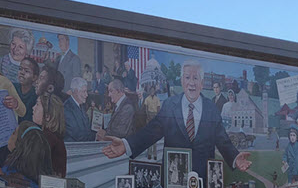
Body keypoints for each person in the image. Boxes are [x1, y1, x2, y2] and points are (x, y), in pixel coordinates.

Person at [101, 60, 252, 181]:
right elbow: (150, 132)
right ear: (182, 81)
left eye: (195, 78)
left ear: (201, 83)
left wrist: (235, 157)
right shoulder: (169, 105)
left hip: (202, 183)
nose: (191, 83)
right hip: (172, 182)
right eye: (187, 78)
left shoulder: (211, 109)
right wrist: (127, 145)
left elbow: (222, 140)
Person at [2, 122, 54, 187]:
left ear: (19, 144)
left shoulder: (8, 171)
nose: (10, 136)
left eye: (14, 133)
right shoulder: (46, 184)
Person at [32, 92, 67, 177]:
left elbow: (31, 166)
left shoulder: (48, 138)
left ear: (47, 116)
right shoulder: (53, 137)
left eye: (37, 104)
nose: (33, 108)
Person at [63, 77, 96, 142]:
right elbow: (77, 135)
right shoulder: (67, 108)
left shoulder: (80, 105)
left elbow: (86, 129)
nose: (86, 95)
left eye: (86, 91)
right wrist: (96, 136)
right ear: (76, 91)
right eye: (84, 91)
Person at [16, 57, 39, 122]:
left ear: (34, 77)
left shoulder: (36, 96)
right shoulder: (12, 87)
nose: (22, 73)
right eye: (20, 69)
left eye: (26, 71)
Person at [143, 85, 161, 159]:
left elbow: (158, 108)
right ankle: (149, 154)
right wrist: (148, 116)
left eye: (153, 90)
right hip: (149, 117)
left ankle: (155, 154)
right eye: (151, 90)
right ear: (149, 91)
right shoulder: (147, 99)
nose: (152, 92)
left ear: (154, 91)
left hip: (155, 116)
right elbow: (146, 109)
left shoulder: (157, 99)